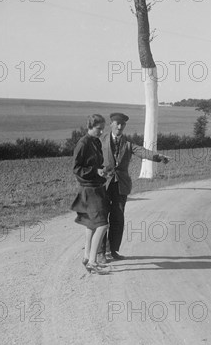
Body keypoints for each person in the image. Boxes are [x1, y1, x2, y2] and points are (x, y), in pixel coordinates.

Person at [98, 112, 170, 262]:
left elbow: (143, 151)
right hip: (103, 185)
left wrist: (159, 157)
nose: (120, 126)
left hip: (121, 186)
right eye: (117, 123)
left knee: (118, 218)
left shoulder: (128, 143)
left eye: (122, 124)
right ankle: (100, 252)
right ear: (111, 124)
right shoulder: (100, 140)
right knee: (102, 218)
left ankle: (113, 250)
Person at [70, 114, 112, 274]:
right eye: (98, 129)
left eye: (102, 129)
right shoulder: (83, 143)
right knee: (102, 224)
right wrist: (95, 171)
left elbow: (96, 164)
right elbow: (76, 168)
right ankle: (93, 263)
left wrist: (103, 170)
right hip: (89, 189)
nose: (101, 132)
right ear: (90, 127)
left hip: (96, 186)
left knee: (90, 223)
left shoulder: (95, 141)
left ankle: (87, 256)